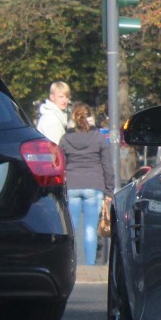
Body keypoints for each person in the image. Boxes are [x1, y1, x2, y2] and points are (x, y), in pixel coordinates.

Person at [62, 102, 114, 266]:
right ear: (89, 117)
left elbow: (60, 164)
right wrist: (109, 190)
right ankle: (90, 265)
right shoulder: (98, 137)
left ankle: (70, 263)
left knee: (72, 229)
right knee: (91, 228)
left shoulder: (65, 138)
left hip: (72, 185)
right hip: (94, 184)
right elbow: (107, 165)